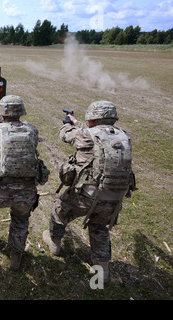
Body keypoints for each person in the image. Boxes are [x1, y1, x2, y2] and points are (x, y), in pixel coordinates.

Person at [43, 101, 136, 283]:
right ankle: (101, 271)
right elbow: (98, 134)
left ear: (92, 119)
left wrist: (67, 124)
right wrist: (76, 121)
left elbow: (66, 135)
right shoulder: (124, 136)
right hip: (113, 201)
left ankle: (54, 242)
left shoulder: (85, 135)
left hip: (85, 197)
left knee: (59, 210)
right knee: (100, 229)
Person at [0, 95, 49, 271]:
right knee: (21, 221)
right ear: (21, 111)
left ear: (2, 112)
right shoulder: (32, 130)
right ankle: (16, 257)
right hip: (26, 192)